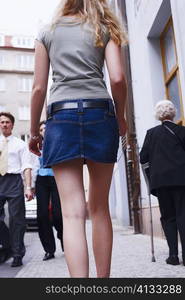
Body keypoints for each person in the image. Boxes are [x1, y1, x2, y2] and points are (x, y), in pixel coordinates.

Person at [29, 0, 127, 278]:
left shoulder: (47, 31)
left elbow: (38, 88)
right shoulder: (105, 26)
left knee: (72, 214)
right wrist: (121, 117)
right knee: (99, 208)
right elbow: (118, 79)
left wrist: (35, 131)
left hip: (61, 118)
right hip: (100, 114)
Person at [140, 99, 185, 266]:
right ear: (173, 113)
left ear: (158, 115)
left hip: (161, 182)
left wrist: (154, 172)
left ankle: (173, 255)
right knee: (183, 214)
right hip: (181, 180)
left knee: (168, 217)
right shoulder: (182, 131)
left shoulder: (151, 134)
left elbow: (142, 158)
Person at [0, 112, 33, 267]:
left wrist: (28, 187)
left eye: (7, 122)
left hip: (14, 181)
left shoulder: (20, 144)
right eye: (2, 122)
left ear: (12, 125)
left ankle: (17, 253)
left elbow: (26, 167)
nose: (4, 124)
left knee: (16, 220)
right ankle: (7, 247)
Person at [33, 121, 64, 261]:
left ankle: (65, 240)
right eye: (41, 129)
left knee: (59, 215)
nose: (43, 131)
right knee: (42, 215)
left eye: (46, 128)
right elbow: (31, 164)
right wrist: (30, 186)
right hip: (41, 180)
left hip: (58, 178)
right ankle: (49, 250)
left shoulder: (59, 141)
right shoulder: (36, 146)